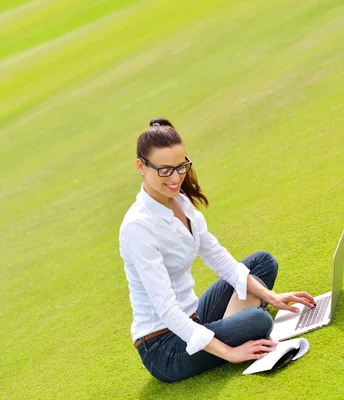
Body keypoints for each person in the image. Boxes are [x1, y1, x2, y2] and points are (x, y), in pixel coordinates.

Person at [119, 118, 315, 382]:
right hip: (164, 346)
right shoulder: (138, 227)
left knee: (263, 263)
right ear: (141, 167)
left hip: (195, 316)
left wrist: (271, 296)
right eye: (165, 170)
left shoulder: (180, 201)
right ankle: (236, 329)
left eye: (181, 167)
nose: (176, 178)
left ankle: (234, 324)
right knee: (259, 322)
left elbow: (217, 256)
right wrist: (229, 353)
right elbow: (165, 308)